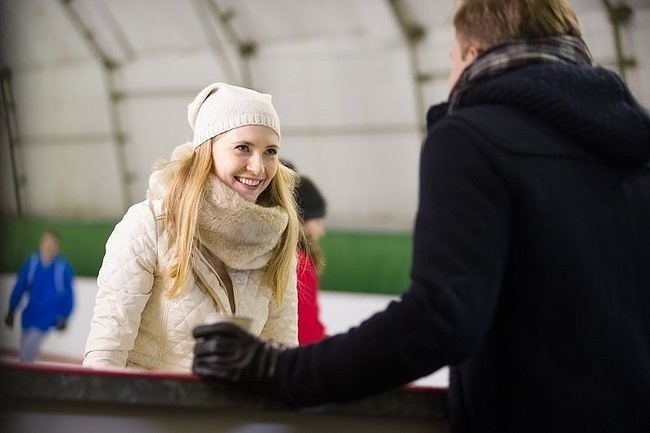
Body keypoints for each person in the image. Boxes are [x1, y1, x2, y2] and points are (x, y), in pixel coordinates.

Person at [191, 1, 650, 432]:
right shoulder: (633, 142)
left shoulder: (473, 137)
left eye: (450, 58)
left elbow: (442, 315)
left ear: (472, 54)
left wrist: (279, 370)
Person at [83, 82, 301, 371]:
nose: (259, 167)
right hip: (146, 412)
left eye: (270, 151)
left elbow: (280, 361)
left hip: (224, 416)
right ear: (206, 150)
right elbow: (105, 356)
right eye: (243, 148)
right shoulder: (149, 225)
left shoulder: (275, 240)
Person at [4, 230, 75, 363]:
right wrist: (12, 309)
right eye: (46, 242)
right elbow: (20, 286)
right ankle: (28, 376)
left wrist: (65, 316)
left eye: (52, 243)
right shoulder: (32, 263)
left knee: (28, 352)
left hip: (47, 317)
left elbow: (69, 295)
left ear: (57, 246)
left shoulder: (62, 267)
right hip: (29, 315)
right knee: (26, 351)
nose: (48, 246)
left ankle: (25, 378)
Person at [283, 161, 328, 345]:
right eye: (316, 221)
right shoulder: (299, 262)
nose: (321, 231)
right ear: (301, 221)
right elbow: (307, 330)